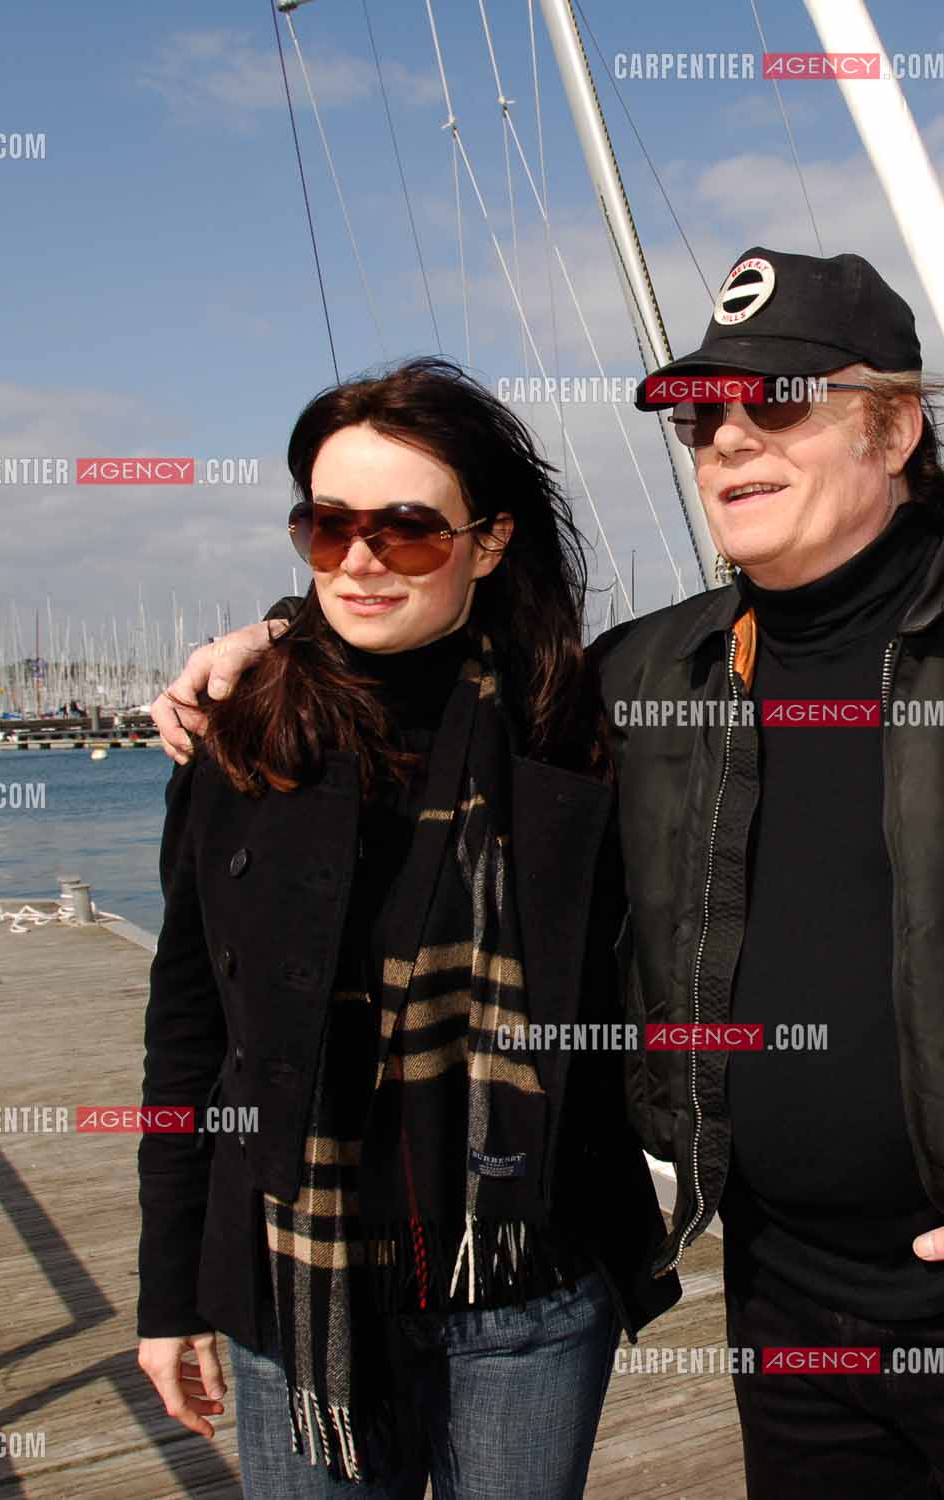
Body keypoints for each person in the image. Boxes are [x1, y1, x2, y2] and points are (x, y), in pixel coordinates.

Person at [155, 249, 944, 1498]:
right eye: (699, 415)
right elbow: (431, 669)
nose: (729, 439)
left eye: (779, 401)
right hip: (782, 1303)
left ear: (894, 426)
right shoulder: (641, 681)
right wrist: (276, 641)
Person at [136, 357, 677, 1497]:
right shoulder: (241, 741)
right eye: (327, 528)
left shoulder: (573, 725)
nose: (361, 559)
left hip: (525, 1287)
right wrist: (169, 1291)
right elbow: (188, 1035)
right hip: (298, 1294)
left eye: (406, 529)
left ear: (487, 541)